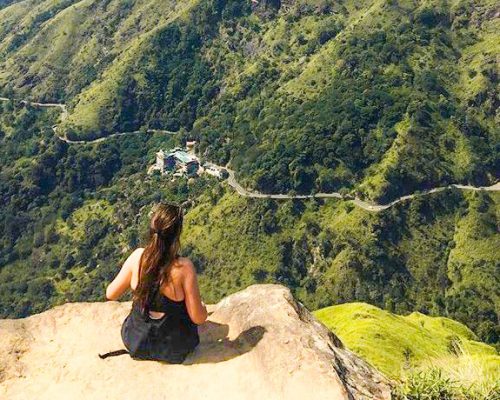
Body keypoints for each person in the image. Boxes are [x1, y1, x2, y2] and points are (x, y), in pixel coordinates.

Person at [102, 202, 208, 363]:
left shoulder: (138, 256)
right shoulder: (184, 268)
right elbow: (198, 318)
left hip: (137, 340)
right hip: (174, 347)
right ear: (177, 235)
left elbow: (111, 293)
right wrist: (203, 308)